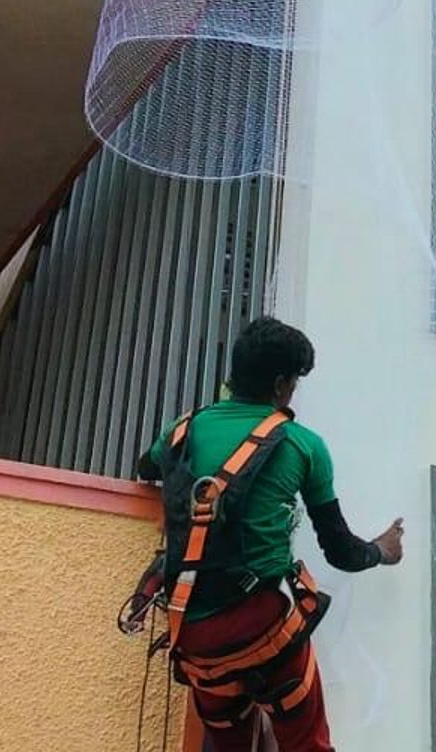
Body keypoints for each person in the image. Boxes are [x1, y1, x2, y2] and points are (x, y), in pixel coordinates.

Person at [137, 316, 403, 750]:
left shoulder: (183, 430)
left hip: (196, 636)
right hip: (265, 629)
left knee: (225, 735)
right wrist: (382, 550)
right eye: (295, 382)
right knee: (305, 740)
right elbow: (340, 552)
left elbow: (146, 468)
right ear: (282, 385)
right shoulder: (302, 444)